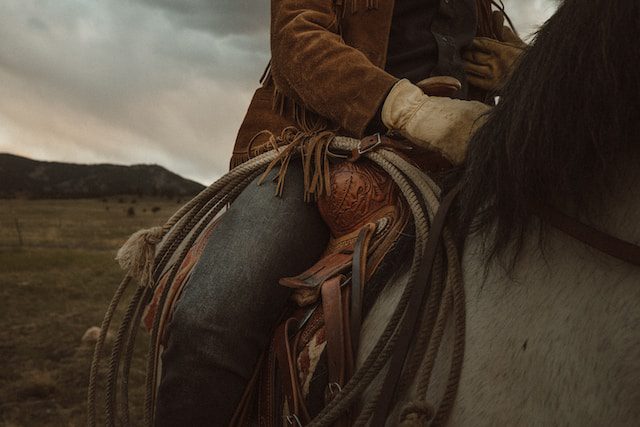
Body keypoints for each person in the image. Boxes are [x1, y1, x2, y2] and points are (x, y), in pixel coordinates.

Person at [155, 1, 525, 425]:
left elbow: (500, 43)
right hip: (317, 150)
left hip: (460, 157)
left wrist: (524, 70)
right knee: (211, 321)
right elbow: (297, 39)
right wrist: (410, 110)